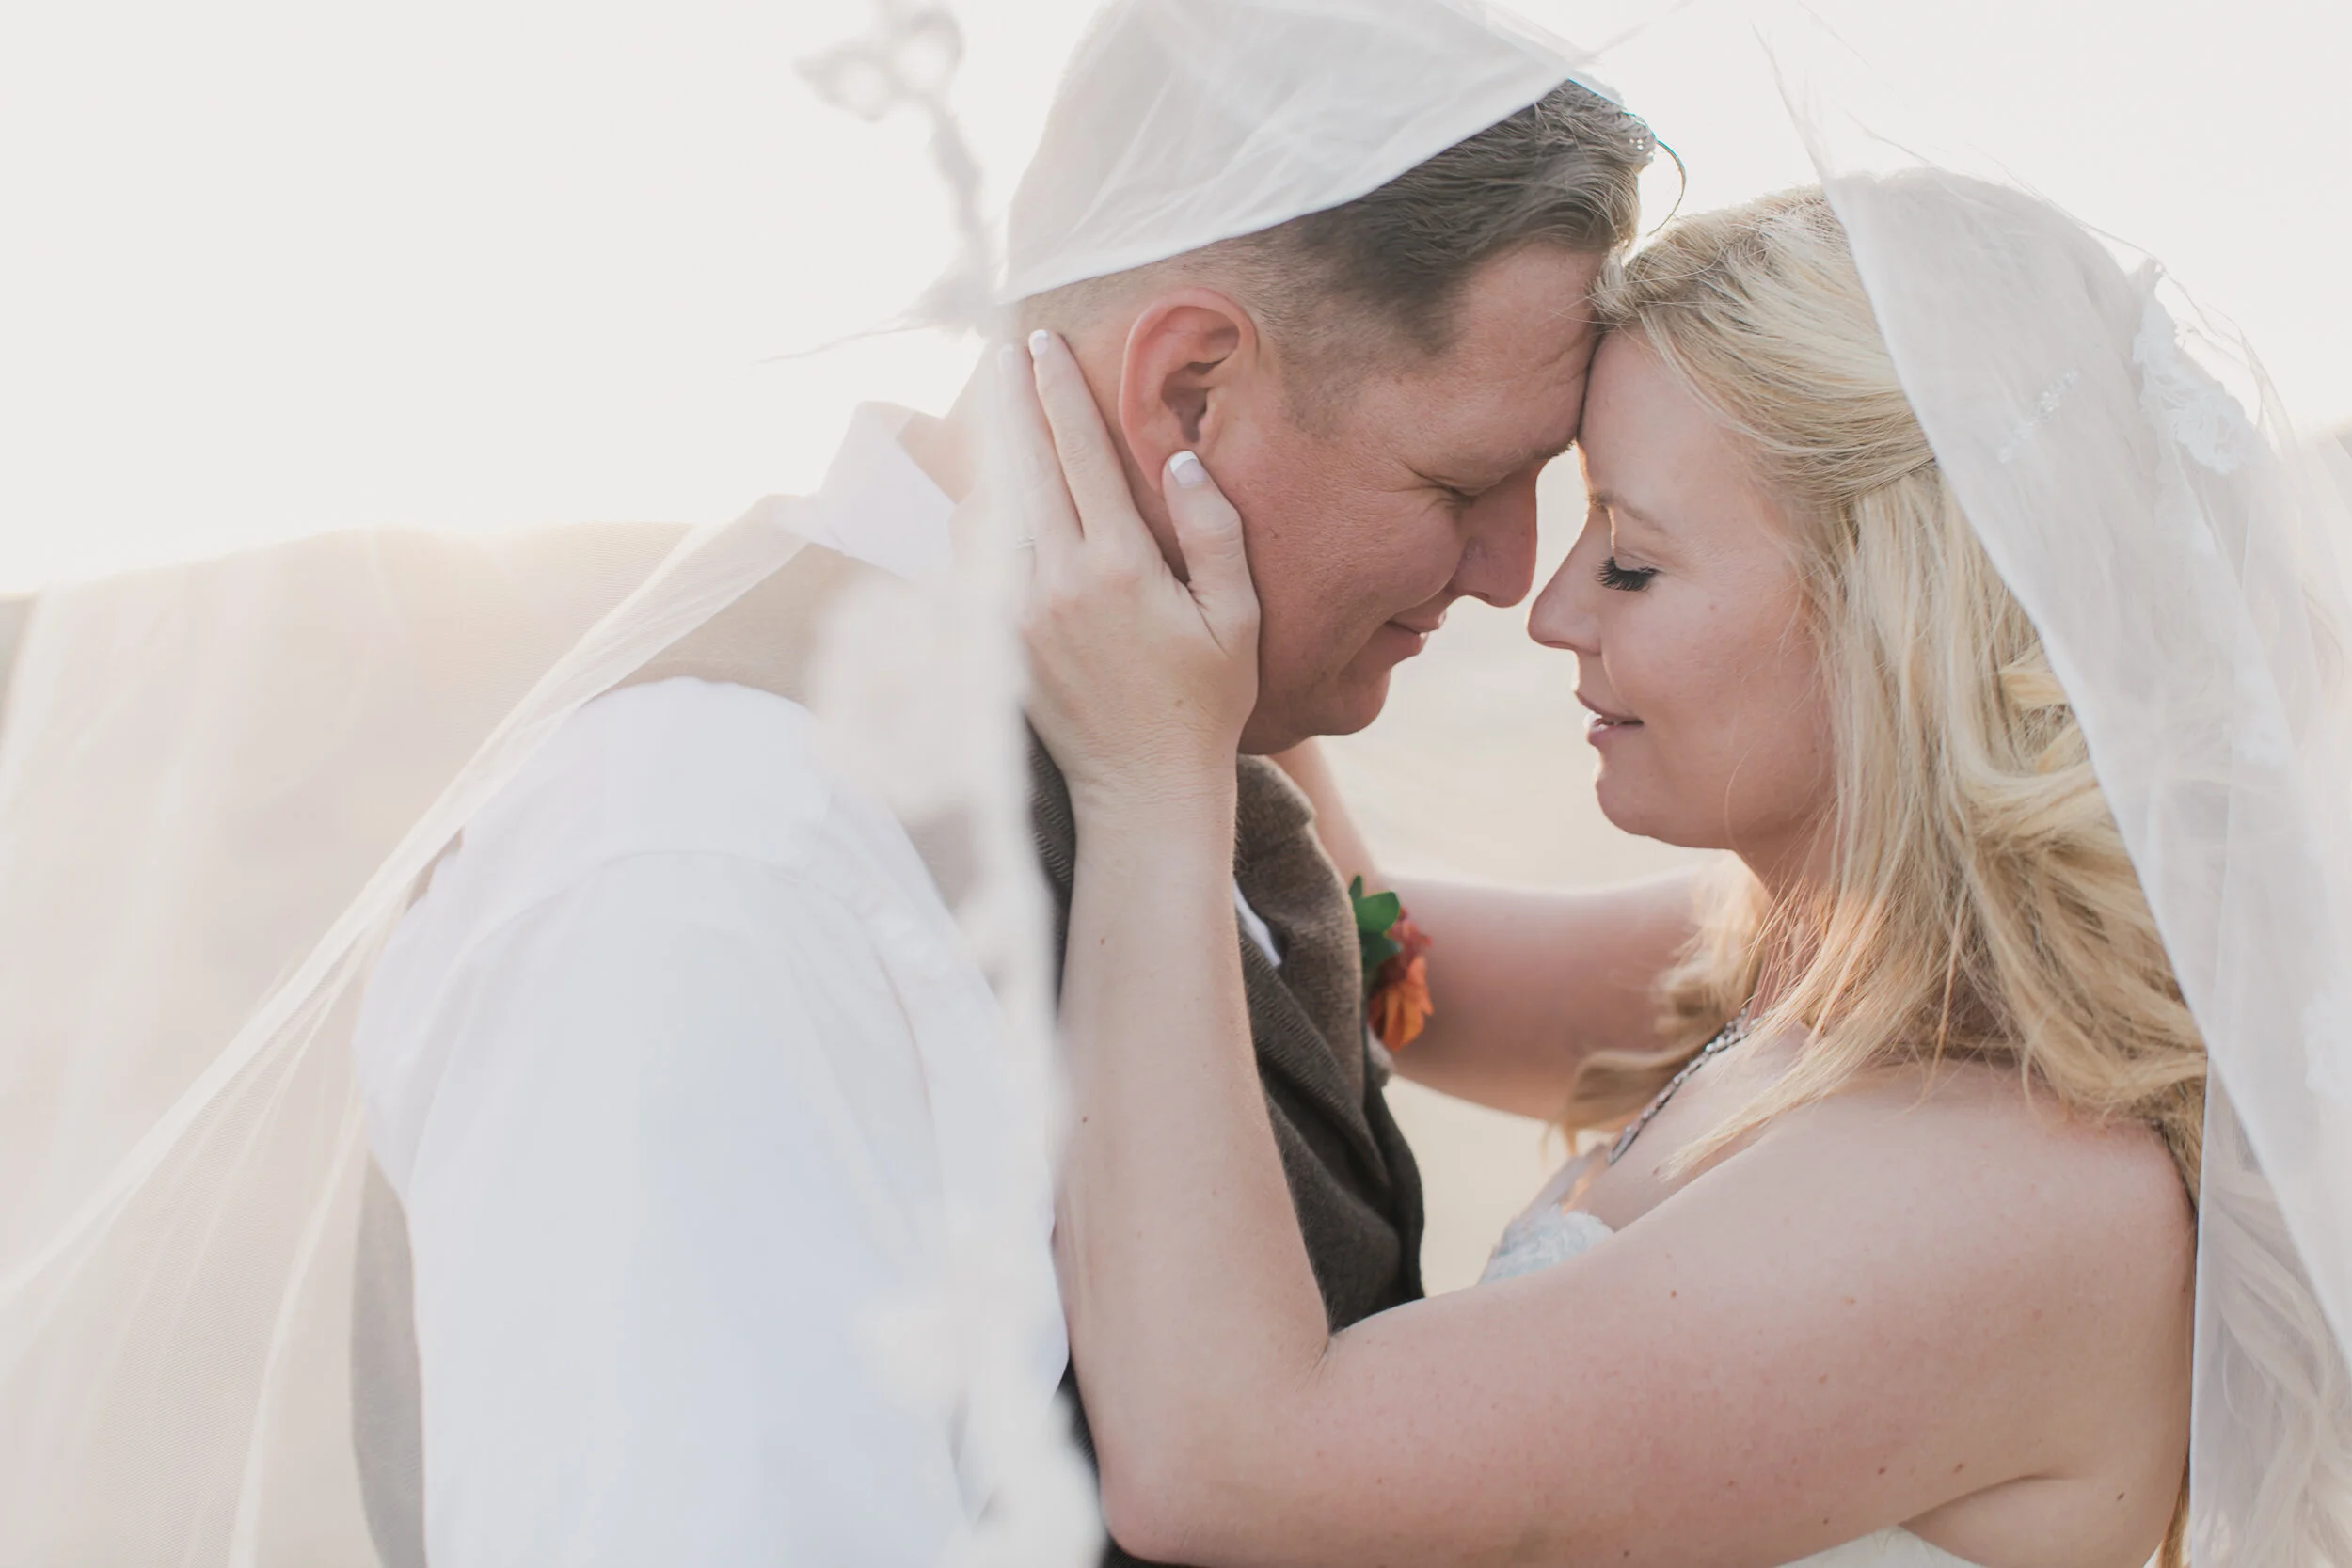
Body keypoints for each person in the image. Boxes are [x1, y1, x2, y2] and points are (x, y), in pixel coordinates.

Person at [340, 3, 1691, 1564]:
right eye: (1461, 483)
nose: (1517, 571)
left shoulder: (1171, 743)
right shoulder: (709, 868)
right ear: (1191, 393)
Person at [1018, 172, 2352, 1566]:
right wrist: (1237, 594)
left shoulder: (2021, 1196)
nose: (1549, 608)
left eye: (1632, 561)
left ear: (1887, 622)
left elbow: (1223, 1469)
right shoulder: (1793, 974)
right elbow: (1392, 972)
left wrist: (1149, 780)